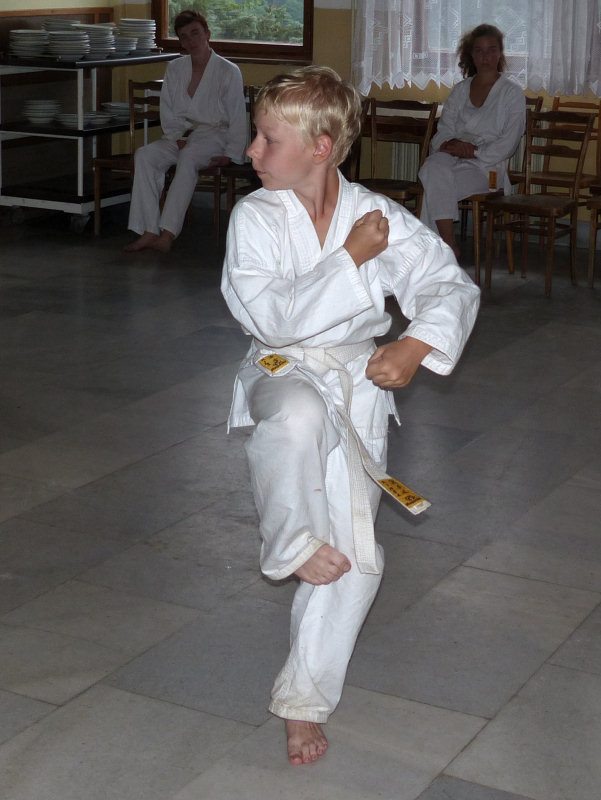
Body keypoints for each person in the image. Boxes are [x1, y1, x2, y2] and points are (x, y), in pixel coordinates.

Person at [221, 66, 480, 765]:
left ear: (321, 147)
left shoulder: (375, 216)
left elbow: (447, 284)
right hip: (281, 366)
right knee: (298, 416)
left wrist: (415, 344)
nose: (250, 151)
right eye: (254, 136)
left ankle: (303, 701)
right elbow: (273, 320)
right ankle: (290, 541)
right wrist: (348, 260)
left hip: (355, 380)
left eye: (266, 139)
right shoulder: (255, 217)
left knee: (358, 561)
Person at [124, 11, 247, 253]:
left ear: (207, 34)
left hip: (214, 135)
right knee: (145, 155)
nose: (191, 40)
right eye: (184, 36)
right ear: (180, 42)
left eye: (195, 33)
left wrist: (231, 154)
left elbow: (237, 116)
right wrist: (178, 136)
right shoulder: (175, 68)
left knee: (188, 157)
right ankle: (149, 230)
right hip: (179, 133)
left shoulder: (228, 70)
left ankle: (167, 233)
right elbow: (167, 109)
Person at [418, 23, 526, 257]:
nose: (485, 57)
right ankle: (447, 245)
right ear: (472, 54)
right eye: (479, 50)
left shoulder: (512, 93)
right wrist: (452, 146)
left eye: (491, 50)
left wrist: (474, 151)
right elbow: (443, 131)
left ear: (500, 53)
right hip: (453, 156)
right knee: (433, 166)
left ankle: (435, 253)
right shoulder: (460, 90)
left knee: (434, 186)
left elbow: (509, 143)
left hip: (488, 168)